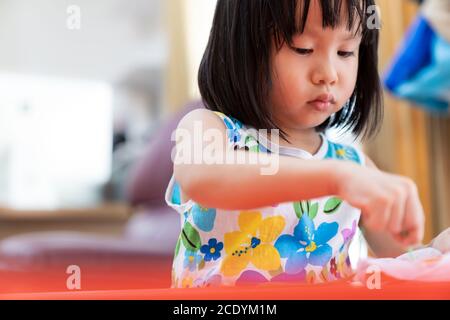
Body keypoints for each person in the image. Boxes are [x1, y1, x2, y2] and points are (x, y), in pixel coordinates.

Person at [165, 0, 441, 288]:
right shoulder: (207, 128)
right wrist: (335, 179)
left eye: (345, 51)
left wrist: (437, 251)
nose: (329, 74)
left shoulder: (352, 164)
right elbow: (205, 179)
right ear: (243, 48)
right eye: (304, 48)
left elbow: (403, 259)